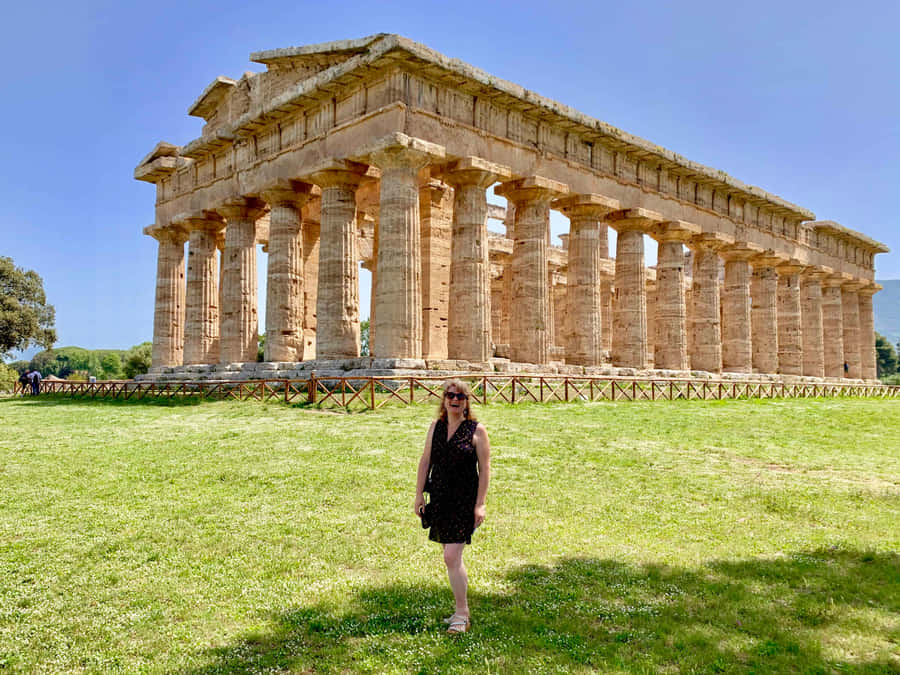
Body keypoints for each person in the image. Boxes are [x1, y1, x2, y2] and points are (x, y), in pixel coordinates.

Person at [414, 379, 491, 635]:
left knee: (451, 556)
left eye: (460, 396)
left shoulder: (477, 430)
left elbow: (485, 470)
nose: (454, 400)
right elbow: (426, 461)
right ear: (444, 400)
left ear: (467, 401)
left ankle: (462, 613)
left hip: (464, 499)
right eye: (450, 395)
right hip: (440, 496)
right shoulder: (436, 427)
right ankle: (461, 610)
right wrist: (418, 495)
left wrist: (480, 504)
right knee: (450, 557)